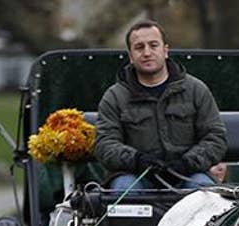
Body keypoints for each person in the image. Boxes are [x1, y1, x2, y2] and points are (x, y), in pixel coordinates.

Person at [94, 20, 227, 191]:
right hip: (135, 176)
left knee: (205, 192)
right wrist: (136, 160)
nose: (147, 52)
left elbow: (215, 138)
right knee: (124, 190)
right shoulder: (114, 97)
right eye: (139, 47)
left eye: (153, 45)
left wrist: (186, 163)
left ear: (165, 50)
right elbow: (105, 144)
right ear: (130, 55)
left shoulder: (196, 90)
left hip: (188, 174)